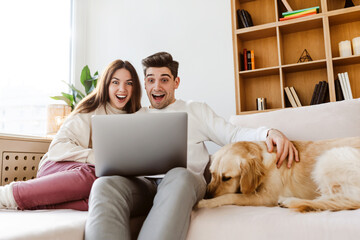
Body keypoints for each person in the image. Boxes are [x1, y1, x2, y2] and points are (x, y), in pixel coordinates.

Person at [85, 52, 299, 239]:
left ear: (176, 82)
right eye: (150, 80)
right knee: (104, 184)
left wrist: (270, 132)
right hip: (144, 186)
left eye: (164, 80)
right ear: (145, 82)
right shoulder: (134, 115)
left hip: (185, 182)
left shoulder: (195, 109)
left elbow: (233, 134)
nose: (156, 86)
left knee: (179, 175)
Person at [0, 59, 142, 211]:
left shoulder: (136, 117)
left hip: (95, 177)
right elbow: (57, 149)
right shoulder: (90, 109)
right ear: (106, 84)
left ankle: (34, 203)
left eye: (129, 83)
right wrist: (93, 157)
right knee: (94, 174)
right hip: (57, 165)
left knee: (103, 197)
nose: (122, 89)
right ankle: (8, 195)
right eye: (115, 82)